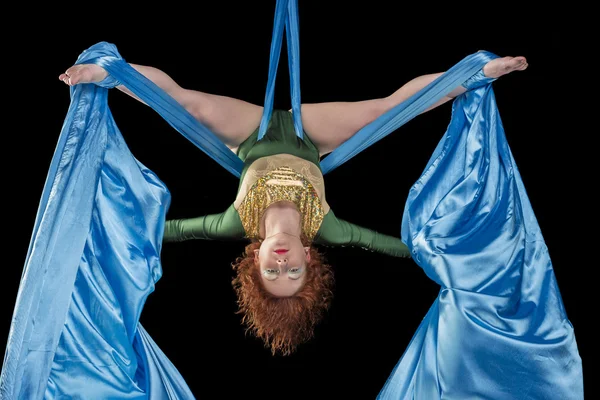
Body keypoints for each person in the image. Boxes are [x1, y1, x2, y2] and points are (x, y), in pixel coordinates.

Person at [58, 54, 528, 356]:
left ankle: (110, 73)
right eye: (294, 273)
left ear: (254, 262)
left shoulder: (234, 221)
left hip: (251, 135)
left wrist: (97, 230)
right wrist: (454, 261)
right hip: (309, 137)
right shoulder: (329, 229)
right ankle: (473, 75)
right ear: (309, 259)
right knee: (387, 112)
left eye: (272, 274)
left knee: (186, 107)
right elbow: (400, 247)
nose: (282, 265)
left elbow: (169, 231)